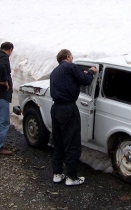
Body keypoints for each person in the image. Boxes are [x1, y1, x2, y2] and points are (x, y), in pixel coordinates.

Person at [50, 49, 97, 186]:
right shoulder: (71, 66)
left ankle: (57, 174)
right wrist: (92, 72)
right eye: (72, 57)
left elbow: (71, 80)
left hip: (56, 108)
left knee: (58, 141)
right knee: (72, 142)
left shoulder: (55, 71)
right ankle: (71, 177)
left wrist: (83, 73)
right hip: (68, 109)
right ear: (68, 57)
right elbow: (85, 81)